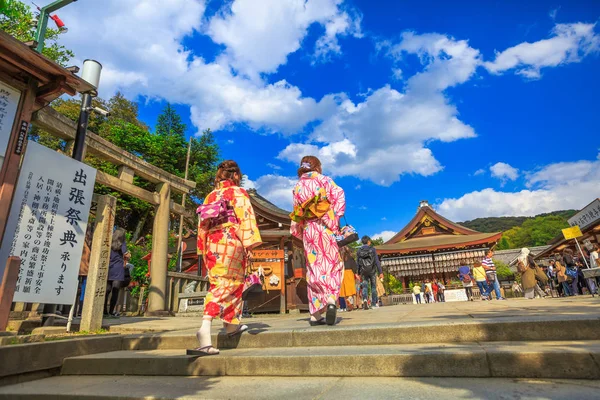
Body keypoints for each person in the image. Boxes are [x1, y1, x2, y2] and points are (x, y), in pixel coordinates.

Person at [191, 160, 262, 356]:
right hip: (231, 241)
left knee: (223, 282)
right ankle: (205, 329)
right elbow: (246, 217)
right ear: (236, 175)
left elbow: (202, 225)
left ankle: (231, 326)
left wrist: (202, 247)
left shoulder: (210, 196)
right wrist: (250, 243)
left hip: (212, 242)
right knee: (228, 284)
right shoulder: (238, 193)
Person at [291, 156, 345, 326]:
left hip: (309, 230)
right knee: (332, 264)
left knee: (314, 268)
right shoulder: (325, 180)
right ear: (318, 167)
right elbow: (339, 196)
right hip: (326, 228)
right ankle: (330, 299)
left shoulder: (297, 187)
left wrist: (298, 231)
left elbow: (297, 212)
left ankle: (315, 314)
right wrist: (334, 217)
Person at [105, 228, 130, 317]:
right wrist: (129, 254)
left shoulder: (109, 242)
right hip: (118, 269)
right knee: (115, 291)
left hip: (109, 268)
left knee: (107, 290)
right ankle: (111, 311)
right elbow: (126, 254)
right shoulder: (122, 243)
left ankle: (104, 310)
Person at [357, 236, 383, 310]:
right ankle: (373, 304)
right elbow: (377, 261)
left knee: (365, 286)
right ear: (368, 242)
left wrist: (358, 273)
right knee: (373, 287)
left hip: (363, 271)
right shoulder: (373, 249)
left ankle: (365, 299)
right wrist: (380, 272)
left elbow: (358, 263)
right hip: (372, 270)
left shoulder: (359, 251)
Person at [339, 247, 358, 312]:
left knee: (345, 289)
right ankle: (350, 301)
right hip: (349, 273)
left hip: (342, 273)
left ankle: (348, 302)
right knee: (350, 289)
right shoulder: (350, 258)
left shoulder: (340, 258)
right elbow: (354, 266)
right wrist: (355, 273)